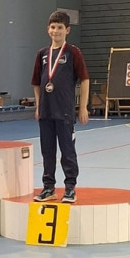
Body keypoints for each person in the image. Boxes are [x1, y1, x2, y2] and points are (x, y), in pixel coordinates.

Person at [31, 10, 89, 203]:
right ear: (48, 29)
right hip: (46, 112)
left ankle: (70, 188)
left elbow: (85, 79)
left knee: (67, 151)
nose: (56, 31)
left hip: (64, 111)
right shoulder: (42, 54)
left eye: (60, 27)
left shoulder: (73, 52)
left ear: (67, 30)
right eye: (53, 27)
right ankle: (49, 188)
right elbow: (36, 83)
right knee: (47, 152)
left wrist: (83, 107)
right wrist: (38, 106)